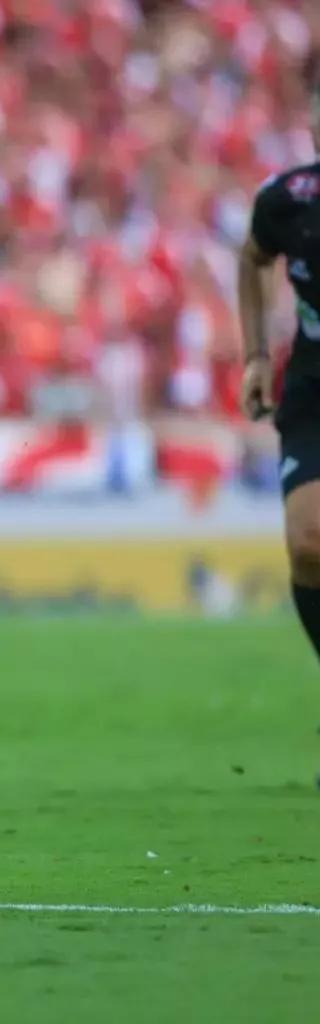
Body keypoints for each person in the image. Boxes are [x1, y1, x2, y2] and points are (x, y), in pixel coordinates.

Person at [238, 84, 320, 783]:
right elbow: (251, 258)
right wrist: (259, 353)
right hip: (314, 389)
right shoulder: (289, 198)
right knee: (307, 543)